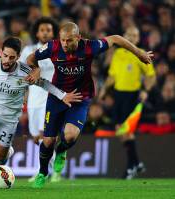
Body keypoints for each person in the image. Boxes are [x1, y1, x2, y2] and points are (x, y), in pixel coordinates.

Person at [26, 22, 153, 188]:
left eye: (69, 40)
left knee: (70, 135)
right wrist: (35, 69)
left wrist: (139, 53)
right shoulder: (52, 47)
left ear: (78, 38)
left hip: (80, 97)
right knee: (48, 141)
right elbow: (30, 58)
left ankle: (62, 150)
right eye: (63, 40)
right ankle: (43, 173)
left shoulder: (89, 47)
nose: (65, 44)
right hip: (57, 97)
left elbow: (115, 39)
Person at [0, 37, 83, 188]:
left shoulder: (25, 72)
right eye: (5, 55)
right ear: (0, 52)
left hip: (7, 119)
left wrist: (63, 95)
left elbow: (45, 84)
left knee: (0, 155)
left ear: (18, 56)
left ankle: (4, 154)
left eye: (12, 57)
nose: (7, 60)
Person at [98, 26, 156, 179]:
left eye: (135, 35)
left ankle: (132, 166)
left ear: (138, 39)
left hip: (132, 95)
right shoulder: (117, 53)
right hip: (118, 95)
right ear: (124, 36)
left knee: (126, 130)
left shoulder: (141, 54)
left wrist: (146, 90)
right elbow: (112, 75)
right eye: (129, 34)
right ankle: (135, 163)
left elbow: (151, 76)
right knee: (119, 129)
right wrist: (104, 88)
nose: (131, 37)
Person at [19, 17, 62, 182]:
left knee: (47, 135)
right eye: (42, 30)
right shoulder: (29, 50)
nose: (45, 33)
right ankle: (52, 163)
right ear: (37, 32)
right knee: (37, 137)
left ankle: (44, 170)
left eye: (48, 30)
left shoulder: (57, 50)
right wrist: (22, 95)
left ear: (53, 33)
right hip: (34, 99)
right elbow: (22, 72)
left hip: (50, 97)